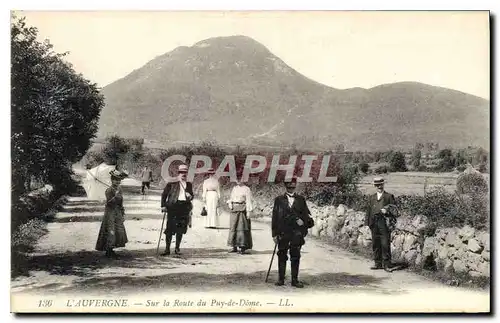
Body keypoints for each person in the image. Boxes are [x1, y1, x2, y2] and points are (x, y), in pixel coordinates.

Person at [271, 177, 315, 288]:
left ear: (295, 185)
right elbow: (275, 218)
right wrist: (274, 234)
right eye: (289, 185)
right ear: (285, 186)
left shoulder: (301, 199)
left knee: (295, 255)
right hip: (283, 232)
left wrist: (303, 221)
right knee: (282, 254)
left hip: (296, 232)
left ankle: (295, 280)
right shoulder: (279, 200)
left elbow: (307, 215)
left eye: (293, 185)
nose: (291, 187)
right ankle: (281, 279)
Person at [364, 176, 397, 272]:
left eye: (380, 184)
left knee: (385, 244)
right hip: (373, 223)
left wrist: (386, 211)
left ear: (383, 184)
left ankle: (387, 264)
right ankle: (377, 263)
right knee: (375, 243)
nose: (379, 187)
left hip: (384, 223)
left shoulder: (389, 196)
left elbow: (395, 210)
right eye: (377, 185)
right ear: (375, 186)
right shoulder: (372, 197)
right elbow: (368, 211)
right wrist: (367, 224)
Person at [160, 164, 194, 256]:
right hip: (173, 207)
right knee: (170, 229)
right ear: (178, 173)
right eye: (181, 172)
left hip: (184, 208)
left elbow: (192, 196)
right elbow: (164, 195)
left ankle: (177, 248)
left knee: (181, 229)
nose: (183, 174)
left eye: (185, 172)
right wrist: (163, 206)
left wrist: (190, 196)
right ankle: (167, 249)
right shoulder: (172, 183)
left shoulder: (189, 184)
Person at [95, 169, 129, 258]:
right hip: (110, 212)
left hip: (117, 212)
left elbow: (121, 203)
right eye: (115, 180)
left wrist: (123, 213)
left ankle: (111, 249)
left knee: (118, 230)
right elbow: (108, 202)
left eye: (119, 180)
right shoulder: (108, 190)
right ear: (112, 180)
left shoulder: (119, 189)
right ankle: (108, 250)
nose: (117, 182)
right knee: (111, 230)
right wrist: (115, 196)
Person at [226, 171, 253, 254]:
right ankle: (234, 246)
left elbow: (249, 200)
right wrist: (230, 203)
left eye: (240, 178)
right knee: (233, 227)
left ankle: (242, 247)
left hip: (242, 210)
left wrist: (248, 211)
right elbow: (231, 198)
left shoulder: (246, 189)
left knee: (241, 228)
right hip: (234, 209)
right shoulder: (234, 188)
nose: (238, 180)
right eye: (237, 178)